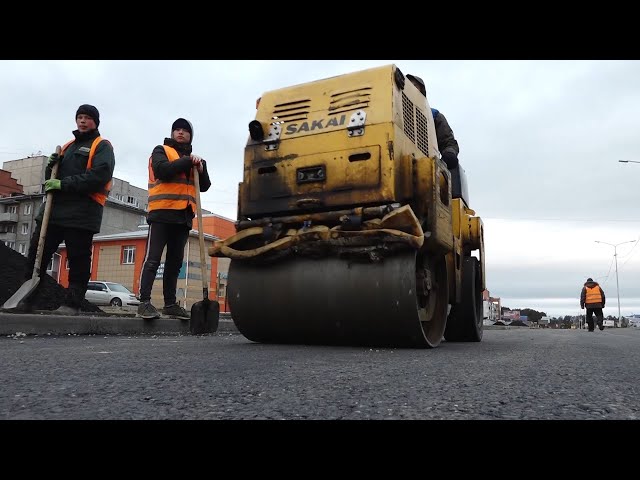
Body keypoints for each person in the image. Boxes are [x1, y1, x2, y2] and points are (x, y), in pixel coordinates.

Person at [23, 104, 115, 314]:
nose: (82, 121)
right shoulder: (66, 147)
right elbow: (51, 180)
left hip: (82, 214)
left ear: (95, 122)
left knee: (78, 259)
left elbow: (99, 175)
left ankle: (72, 303)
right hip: (53, 212)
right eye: (79, 117)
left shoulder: (102, 146)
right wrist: (50, 167)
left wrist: (64, 184)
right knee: (37, 255)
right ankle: (27, 298)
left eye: (87, 118)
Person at [137, 118, 211, 320]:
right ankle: (143, 302)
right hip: (162, 212)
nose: (180, 133)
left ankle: (170, 304)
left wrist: (201, 170)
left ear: (190, 136)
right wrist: (188, 161)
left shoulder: (196, 161)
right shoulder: (161, 150)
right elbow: (163, 171)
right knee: (152, 259)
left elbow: (204, 186)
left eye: (184, 130)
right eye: (176, 129)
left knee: (174, 263)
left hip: (183, 215)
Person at [406, 74, 460, 170]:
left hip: (426, 168)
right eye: (408, 84)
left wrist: (449, 153)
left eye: (414, 85)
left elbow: (448, 141)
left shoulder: (433, 115)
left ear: (422, 91)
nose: (411, 88)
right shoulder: (394, 110)